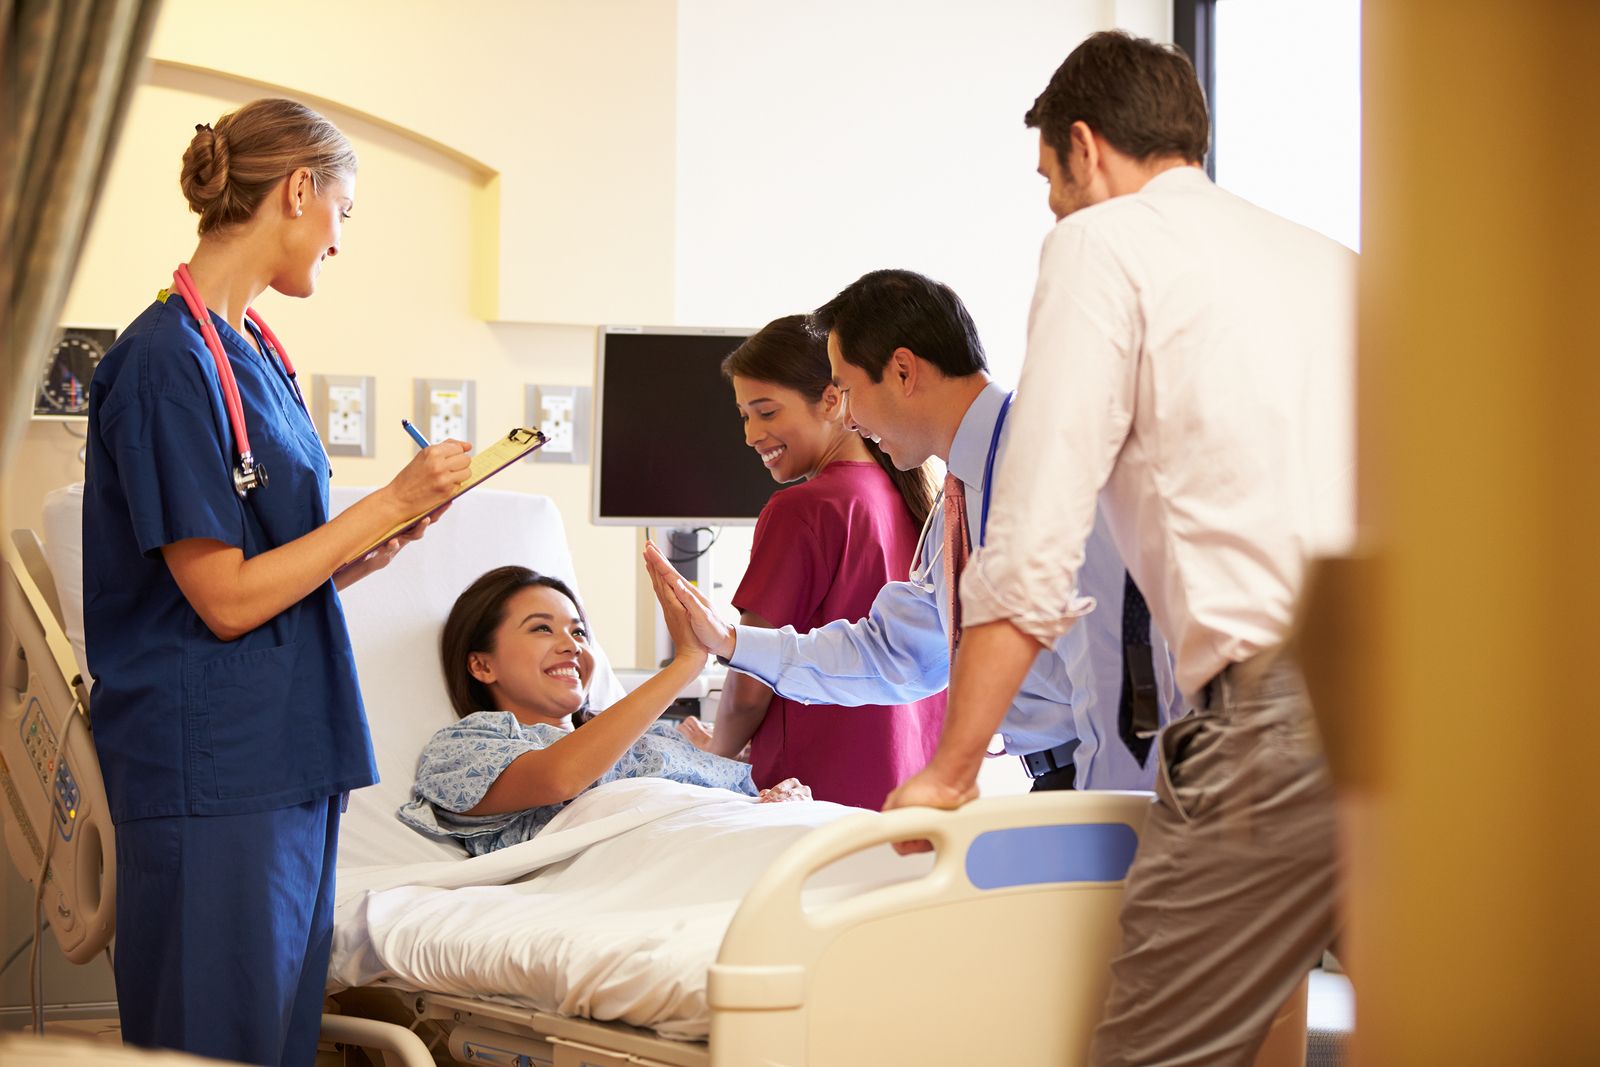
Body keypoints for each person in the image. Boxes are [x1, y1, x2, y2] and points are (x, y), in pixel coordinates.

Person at [897, 32, 1357, 1065]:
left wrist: (950, 769)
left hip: (1278, 719)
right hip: (1426, 710)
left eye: (1048, 183)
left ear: (1085, 147)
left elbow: (1032, 543)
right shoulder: (1333, 263)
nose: (1053, 208)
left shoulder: (1102, 245)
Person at [82, 99, 472, 1067]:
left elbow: (272, 564)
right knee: (215, 1044)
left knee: (276, 1043)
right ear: (298, 190)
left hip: (288, 752)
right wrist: (384, 504)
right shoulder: (163, 364)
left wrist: (371, 545)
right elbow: (224, 599)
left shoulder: (251, 351)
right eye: (343, 210)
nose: (339, 240)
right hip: (215, 764)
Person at [647, 269, 1184, 795]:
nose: (847, 418)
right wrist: (731, 641)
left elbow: (1121, 683)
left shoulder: (1048, 464)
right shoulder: (962, 493)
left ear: (903, 371)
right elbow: (896, 653)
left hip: (1113, 787)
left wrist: (1112, 833)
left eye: (847, 390)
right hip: (1066, 779)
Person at [678, 314, 943, 810]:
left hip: (816, 796)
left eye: (766, 412)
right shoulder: (912, 499)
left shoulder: (802, 509)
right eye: (744, 416)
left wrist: (713, 754)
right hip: (907, 791)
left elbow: (750, 685)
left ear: (831, 399)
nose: (751, 434)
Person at [400, 562, 810, 854]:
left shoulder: (656, 738)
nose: (571, 645)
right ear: (482, 666)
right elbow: (562, 778)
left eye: (578, 632)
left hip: (751, 844)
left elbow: (730, 798)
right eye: (542, 628)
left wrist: (775, 800)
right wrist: (686, 663)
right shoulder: (463, 747)